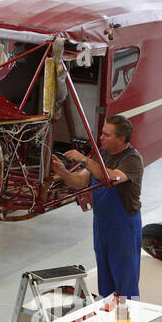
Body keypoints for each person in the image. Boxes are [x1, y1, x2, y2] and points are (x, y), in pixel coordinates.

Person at [49, 115, 145, 299]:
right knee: (105, 283)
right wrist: (62, 171)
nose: (101, 137)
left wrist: (84, 159)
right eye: (101, 133)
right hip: (102, 227)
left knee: (125, 283)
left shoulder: (132, 160)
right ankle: (107, 320)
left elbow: (109, 177)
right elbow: (78, 182)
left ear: (122, 139)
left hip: (124, 229)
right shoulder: (103, 155)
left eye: (107, 135)